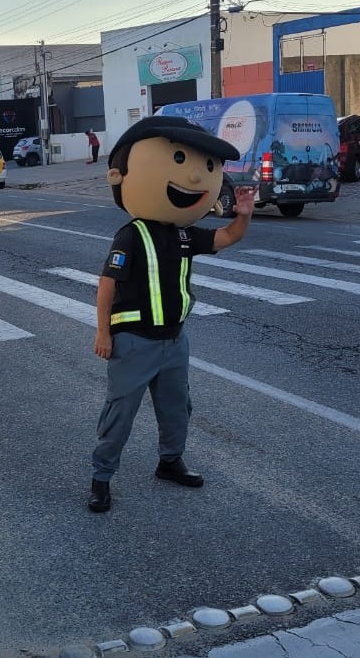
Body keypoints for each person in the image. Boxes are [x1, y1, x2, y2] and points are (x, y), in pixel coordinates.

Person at [88, 114, 256, 513]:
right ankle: (101, 478)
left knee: (177, 407)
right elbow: (107, 284)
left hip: (173, 341)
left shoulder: (184, 234)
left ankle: (170, 462)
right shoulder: (131, 234)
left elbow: (227, 237)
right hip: (133, 342)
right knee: (120, 414)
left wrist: (244, 213)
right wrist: (103, 333)